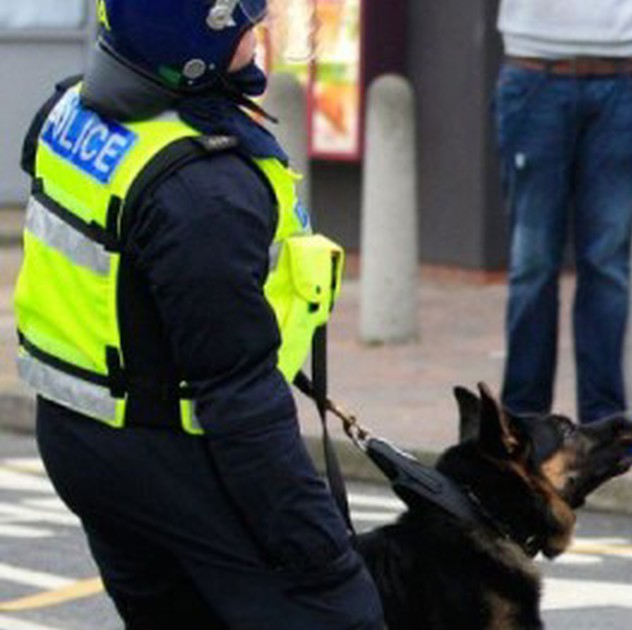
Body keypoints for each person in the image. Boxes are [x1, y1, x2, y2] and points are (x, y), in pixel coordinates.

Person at [14, 1, 383, 627]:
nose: (257, 26)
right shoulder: (204, 190)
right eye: (241, 18)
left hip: (81, 435)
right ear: (189, 48)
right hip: (175, 451)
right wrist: (323, 555)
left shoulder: (75, 107)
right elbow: (240, 400)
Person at [495, 0, 632, 423]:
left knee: (607, 264)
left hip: (622, 79)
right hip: (534, 73)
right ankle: (522, 424)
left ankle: (602, 424)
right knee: (533, 263)